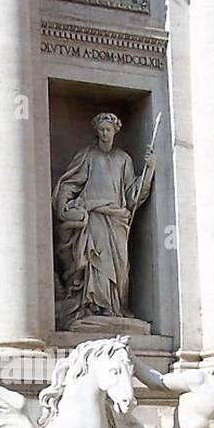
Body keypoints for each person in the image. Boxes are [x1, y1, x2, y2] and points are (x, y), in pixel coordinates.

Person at [53, 112, 155, 328]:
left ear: (115, 131)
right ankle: (93, 306)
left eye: (108, 129)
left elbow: (131, 195)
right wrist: (64, 205)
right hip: (94, 216)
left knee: (119, 268)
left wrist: (149, 170)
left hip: (117, 219)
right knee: (96, 263)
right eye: (101, 129)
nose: (105, 133)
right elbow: (70, 183)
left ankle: (114, 307)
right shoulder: (87, 155)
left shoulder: (123, 159)